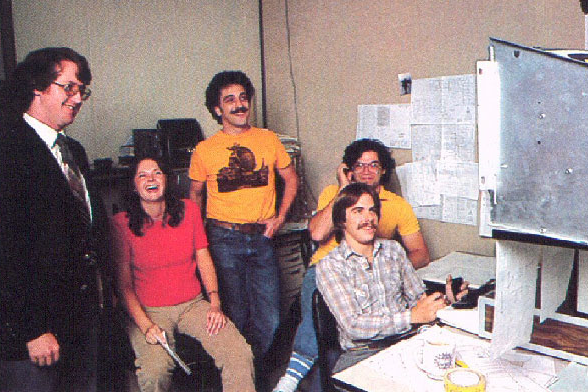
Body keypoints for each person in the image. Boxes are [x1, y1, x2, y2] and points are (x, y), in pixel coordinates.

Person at [274, 138, 429, 392]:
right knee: (318, 310)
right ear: (350, 170)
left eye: (373, 165)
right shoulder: (333, 194)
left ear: (383, 170)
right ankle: (293, 374)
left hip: (373, 268)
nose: (367, 171)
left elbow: (420, 254)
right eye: (360, 165)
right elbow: (315, 234)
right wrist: (343, 190)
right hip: (328, 267)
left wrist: (387, 268)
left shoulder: (396, 213)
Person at [0, 47, 104, 391]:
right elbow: (2, 251)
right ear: (38, 88)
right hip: (34, 335)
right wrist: (31, 329)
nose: (78, 98)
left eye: (81, 90)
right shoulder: (6, 150)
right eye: (68, 87)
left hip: (79, 325)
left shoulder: (75, 152)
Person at [188, 71, 298, 383]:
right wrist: (197, 240)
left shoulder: (268, 139)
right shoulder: (205, 149)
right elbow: (195, 195)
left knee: (270, 317)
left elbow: (291, 179)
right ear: (217, 110)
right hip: (222, 239)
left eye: (242, 97)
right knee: (233, 315)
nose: (239, 105)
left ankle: (252, 377)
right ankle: (238, 378)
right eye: (230, 100)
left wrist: (280, 217)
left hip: (262, 238)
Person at [112, 156, 255, 392]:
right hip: (149, 312)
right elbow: (123, 286)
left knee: (239, 353)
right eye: (142, 175)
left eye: (157, 172)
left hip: (193, 305)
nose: (151, 179)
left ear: (167, 179)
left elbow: (203, 257)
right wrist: (147, 327)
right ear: (133, 184)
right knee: (156, 370)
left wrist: (215, 303)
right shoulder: (121, 224)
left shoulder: (188, 210)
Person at [316, 183, 461, 372]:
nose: (368, 218)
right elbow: (353, 325)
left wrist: (446, 300)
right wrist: (412, 317)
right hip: (363, 354)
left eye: (372, 210)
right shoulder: (330, 265)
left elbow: (418, 299)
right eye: (358, 211)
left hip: (407, 341)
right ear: (342, 220)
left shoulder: (393, 250)